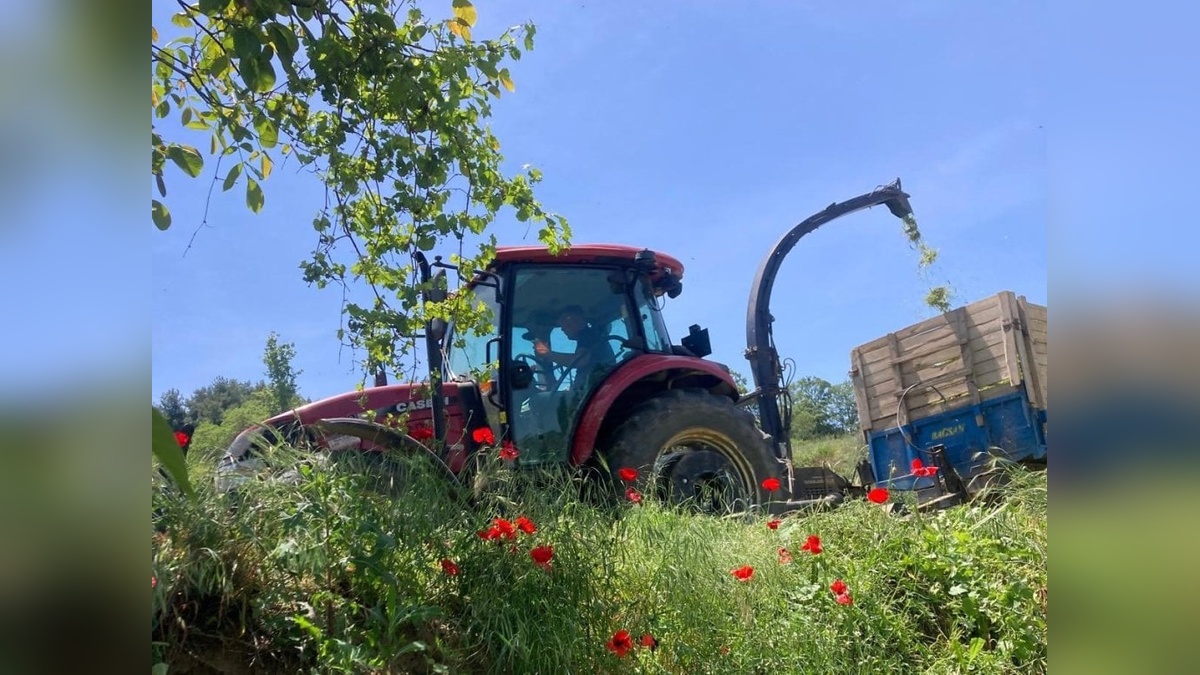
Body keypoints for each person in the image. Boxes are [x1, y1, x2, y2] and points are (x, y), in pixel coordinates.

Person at [533, 305, 616, 380]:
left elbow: (580, 361)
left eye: (563, 322)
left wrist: (546, 353)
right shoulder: (590, 336)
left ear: (572, 319)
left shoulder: (587, 335)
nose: (562, 329)